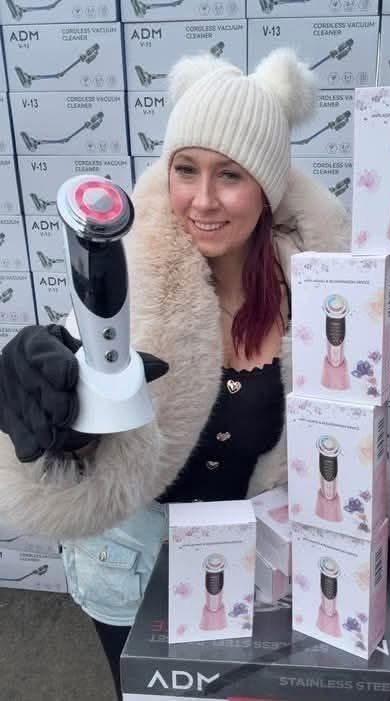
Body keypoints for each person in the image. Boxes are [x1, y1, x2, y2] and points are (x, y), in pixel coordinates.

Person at [0, 49, 349, 698]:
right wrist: (51, 418)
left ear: (267, 188)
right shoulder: (127, 281)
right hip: (129, 569)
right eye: (186, 169)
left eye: (230, 174)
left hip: (254, 570)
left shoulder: (321, 297)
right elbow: (77, 416)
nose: (203, 199)